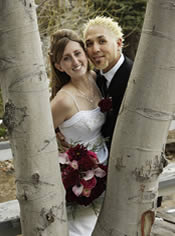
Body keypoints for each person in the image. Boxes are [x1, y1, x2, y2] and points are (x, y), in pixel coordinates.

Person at [49, 29, 108, 236]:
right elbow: (40, 138)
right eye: (66, 58)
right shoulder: (63, 100)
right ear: (59, 66)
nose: (75, 62)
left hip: (107, 167)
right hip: (80, 180)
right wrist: (57, 138)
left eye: (77, 53)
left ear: (85, 53)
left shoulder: (97, 79)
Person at [83, 16, 133, 150]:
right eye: (89, 44)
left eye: (102, 41)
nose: (95, 49)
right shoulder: (94, 78)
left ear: (118, 43)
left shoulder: (135, 79)